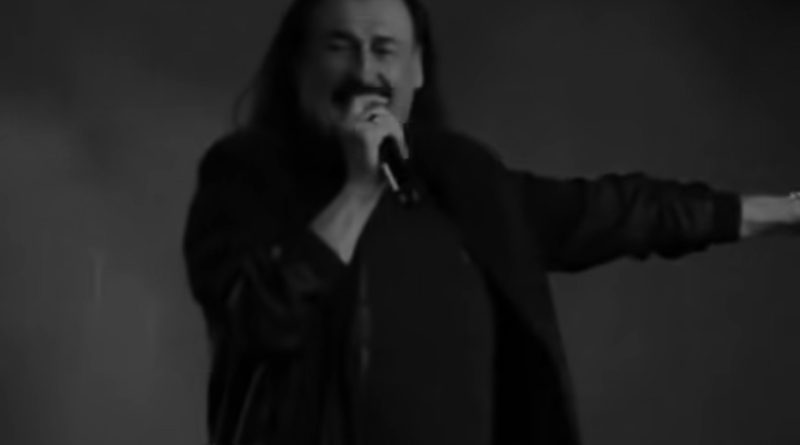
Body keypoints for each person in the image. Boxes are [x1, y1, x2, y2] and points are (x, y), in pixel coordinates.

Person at [181, 0, 800, 444]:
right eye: (339, 46)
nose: (365, 71)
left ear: (417, 71)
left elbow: (622, 212)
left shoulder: (466, 182)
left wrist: (784, 211)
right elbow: (257, 319)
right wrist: (358, 189)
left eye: (385, 49)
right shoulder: (245, 180)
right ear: (297, 68)